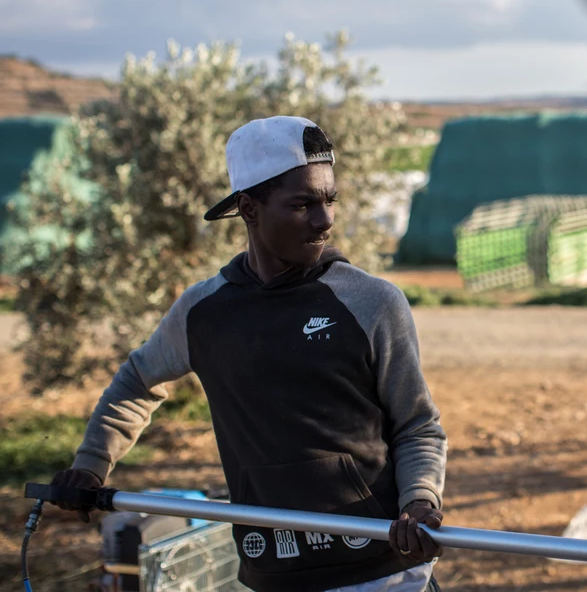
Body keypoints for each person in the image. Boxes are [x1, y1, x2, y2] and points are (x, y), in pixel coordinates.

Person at [50, 116, 448, 592]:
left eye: (329, 200)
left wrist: (420, 501)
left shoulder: (372, 303)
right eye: (302, 204)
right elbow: (137, 381)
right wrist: (92, 466)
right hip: (270, 571)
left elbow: (417, 425)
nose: (324, 220)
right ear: (249, 208)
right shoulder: (204, 312)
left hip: (382, 570)